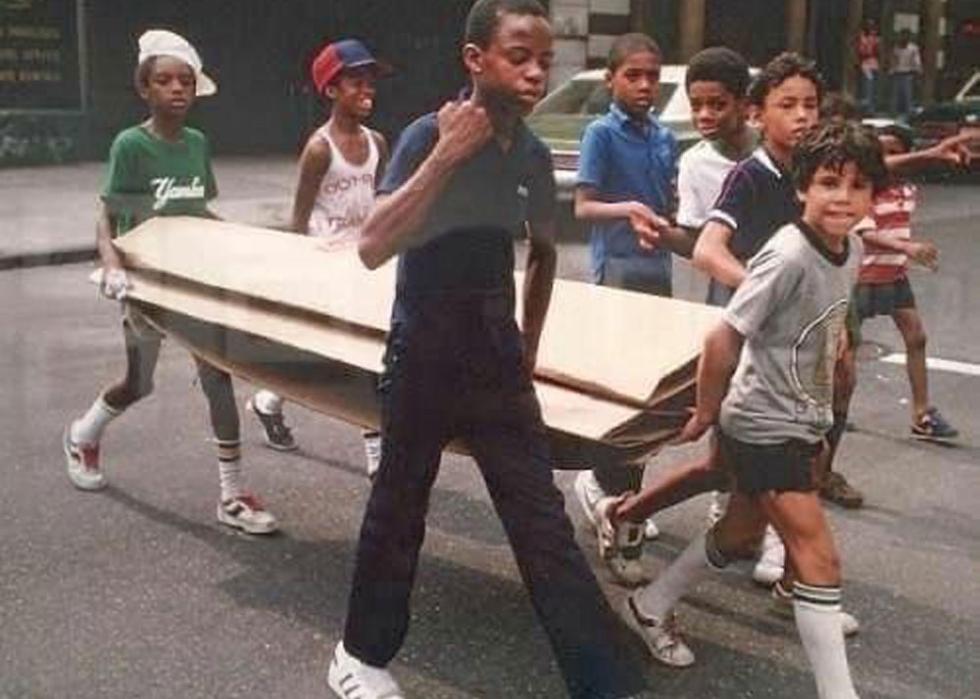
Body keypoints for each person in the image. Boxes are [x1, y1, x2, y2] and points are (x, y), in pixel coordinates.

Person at [326, 2, 649, 698]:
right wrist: (447, 153)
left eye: (544, 60)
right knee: (400, 505)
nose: (536, 72)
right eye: (518, 56)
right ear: (476, 60)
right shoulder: (423, 136)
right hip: (424, 353)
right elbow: (374, 245)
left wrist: (526, 350)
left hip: (497, 361)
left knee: (542, 524)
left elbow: (540, 252)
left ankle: (606, 683)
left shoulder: (532, 152)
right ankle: (358, 653)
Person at [620, 120, 885, 698]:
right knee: (819, 559)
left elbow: (825, 318)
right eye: (829, 183)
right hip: (764, 424)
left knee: (739, 534)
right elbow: (722, 338)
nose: (843, 197)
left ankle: (649, 604)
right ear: (802, 190)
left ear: (873, 196)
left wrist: (838, 359)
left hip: (801, 417)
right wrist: (706, 412)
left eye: (859, 186)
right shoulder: (787, 255)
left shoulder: (852, 247)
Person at [62, 30, 277, 535]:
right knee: (140, 382)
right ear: (145, 89)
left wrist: (250, 243)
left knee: (218, 375)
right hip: (143, 284)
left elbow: (196, 210)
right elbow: (107, 215)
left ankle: (231, 495)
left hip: (193, 283)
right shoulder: (131, 145)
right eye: (164, 81)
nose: (177, 89)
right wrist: (113, 267)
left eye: (185, 81)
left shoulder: (197, 144)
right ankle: (82, 434)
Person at [571, 32, 694, 586]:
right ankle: (611, 499)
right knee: (619, 394)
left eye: (651, 77)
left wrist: (666, 226)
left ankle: (624, 494)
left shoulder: (665, 137)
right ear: (611, 80)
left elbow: (670, 205)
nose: (644, 86)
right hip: (615, 277)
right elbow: (583, 206)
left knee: (654, 394)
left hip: (656, 273)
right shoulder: (601, 132)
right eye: (633, 76)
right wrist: (631, 210)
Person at [248, 39, 390, 476]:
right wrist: (300, 270)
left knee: (366, 354)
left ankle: (269, 400)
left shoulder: (378, 142)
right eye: (355, 81)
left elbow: (379, 203)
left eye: (370, 81)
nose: (366, 89)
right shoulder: (319, 149)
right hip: (326, 264)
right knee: (352, 357)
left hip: (364, 262)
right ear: (330, 90)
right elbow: (300, 218)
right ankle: (376, 455)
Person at [853, 124, 958, 440]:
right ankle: (829, 410)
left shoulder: (907, 191)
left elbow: (900, 229)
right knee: (841, 351)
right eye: (881, 153)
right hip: (861, 280)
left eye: (896, 152)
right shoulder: (863, 189)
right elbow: (864, 233)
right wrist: (907, 248)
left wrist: (915, 256)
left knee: (917, 338)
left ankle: (921, 412)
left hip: (894, 278)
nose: (888, 160)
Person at [889, 29, 922, 118]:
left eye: (907, 36)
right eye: (903, 35)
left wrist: (918, 71)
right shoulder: (896, 48)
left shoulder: (913, 48)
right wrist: (891, 71)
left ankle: (908, 114)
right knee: (895, 95)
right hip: (897, 73)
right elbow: (893, 60)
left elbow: (916, 61)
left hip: (908, 73)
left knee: (908, 95)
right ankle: (893, 113)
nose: (904, 38)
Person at [857, 19, 880, 114]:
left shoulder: (875, 37)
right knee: (867, 85)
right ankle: (865, 107)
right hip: (864, 63)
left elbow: (877, 50)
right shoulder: (861, 37)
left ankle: (871, 107)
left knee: (872, 86)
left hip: (873, 62)